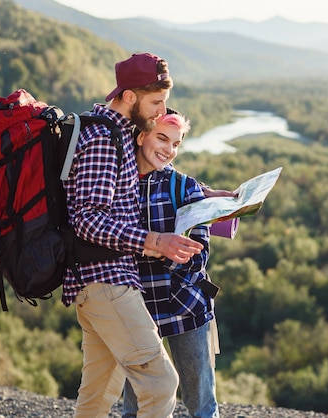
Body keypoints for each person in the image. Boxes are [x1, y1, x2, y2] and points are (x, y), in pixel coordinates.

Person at [62, 52, 204, 418]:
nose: (160, 111)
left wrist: (207, 195)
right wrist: (157, 241)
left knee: (99, 393)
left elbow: (147, 176)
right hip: (106, 282)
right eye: (156, 102)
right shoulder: (102, 140)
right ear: (129, 97)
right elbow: (88, 220)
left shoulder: (120, 135)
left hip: (101, 284)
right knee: (160, 384)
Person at [122, 111, 221, 418]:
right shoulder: (117, 186)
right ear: (141, 137)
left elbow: (200, 253)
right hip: (135, 310)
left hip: (186, 307)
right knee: (137, 403)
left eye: (176, 143)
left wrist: (152, 249)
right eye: (162, 138)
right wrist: (159, 245)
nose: (168, 149)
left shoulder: (186, 188)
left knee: (201, 402)